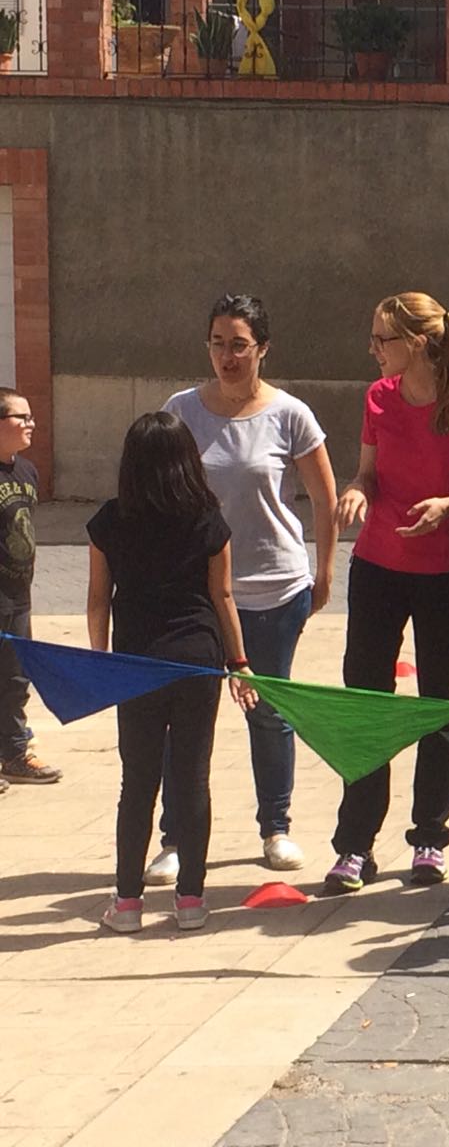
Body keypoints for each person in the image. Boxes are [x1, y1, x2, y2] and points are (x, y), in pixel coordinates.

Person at [147, 294, 336, 884]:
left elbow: (325, 499)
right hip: (198, 593)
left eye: (238, 345)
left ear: (262, 349)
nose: (227, 357)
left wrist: (326, 571)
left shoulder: (290, 414)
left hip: (274, 588)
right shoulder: (181, 411)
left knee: (270, 713)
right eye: (217, 344)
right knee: (186, 716)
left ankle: (275, 827)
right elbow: (158, 493)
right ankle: (176, 837)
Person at [324, 293, 449, 894]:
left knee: (438, 705)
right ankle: (355, 845)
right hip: (379, 568)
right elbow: (367, 473)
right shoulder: (379, 397)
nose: (372, 349)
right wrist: (356, 491)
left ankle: (429, 838)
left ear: (417, 343)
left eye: (381, 339)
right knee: (367, 704)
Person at [89, 413, 255, 933]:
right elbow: (222, 596)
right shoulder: (207, 519)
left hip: (136, 664)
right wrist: (240, 663)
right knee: (192, 780)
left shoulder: (110, 521)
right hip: (197, 660)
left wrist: (100, 658)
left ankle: (127, 903)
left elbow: (98, 600)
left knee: (137, 782)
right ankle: (191, 901)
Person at [0, 387, 58, 790]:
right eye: (21, 417)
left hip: (18, 598)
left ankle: (15, 753)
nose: (30, 423)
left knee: (15, 680)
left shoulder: (27, 472)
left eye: (31, 416)